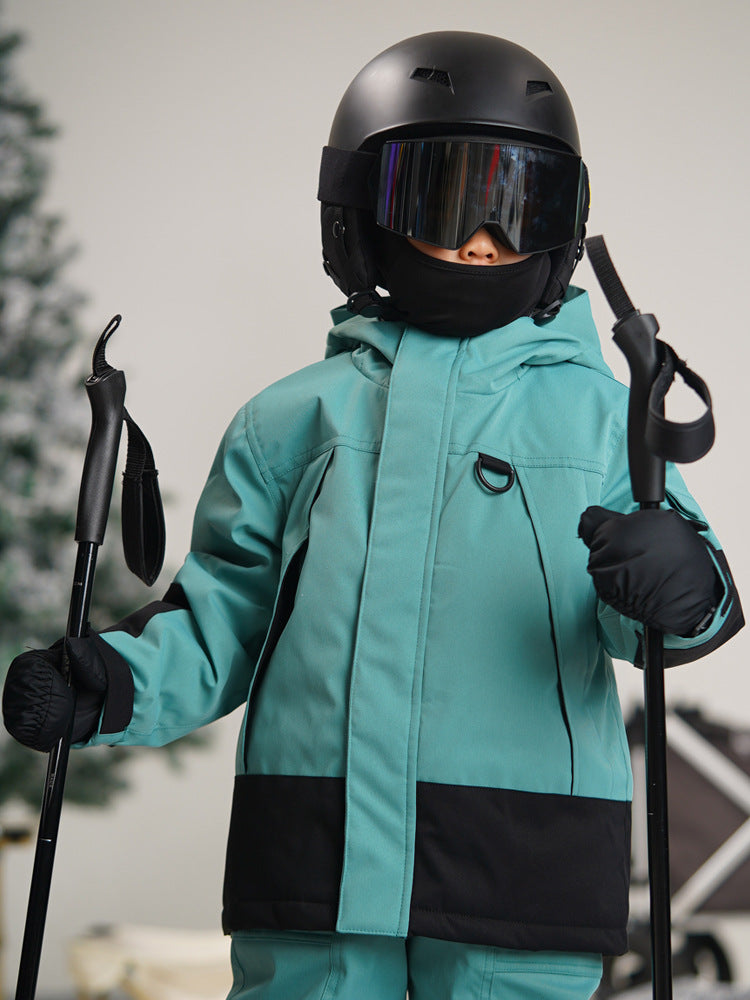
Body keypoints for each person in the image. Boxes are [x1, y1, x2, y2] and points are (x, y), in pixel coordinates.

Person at [3, 30, 744, 1000]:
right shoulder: (291, 421)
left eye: (521, 209)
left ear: (565, 228)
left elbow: (669, 612)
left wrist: (678, 582)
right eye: (446, 201)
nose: (484, 241)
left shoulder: (605, 417)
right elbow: (224, 617)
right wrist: (110, 683)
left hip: (519, 868)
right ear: (360, 212)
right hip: (316, 861)